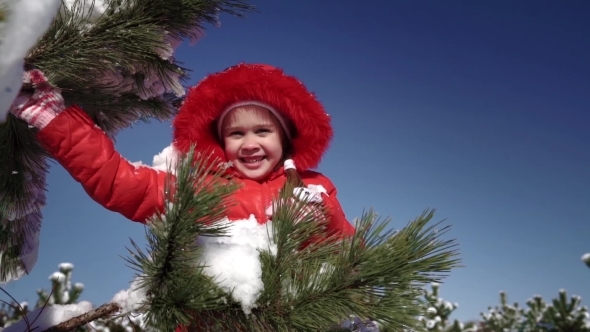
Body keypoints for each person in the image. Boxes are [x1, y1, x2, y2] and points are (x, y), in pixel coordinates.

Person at [9, 63, 356, 239]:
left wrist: (323, 220)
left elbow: (349, 256)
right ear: (221, 142)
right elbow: (120, 182)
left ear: (284, 137)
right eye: (236, 133)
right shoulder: (198, 190)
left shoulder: (314, 188)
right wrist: (56, 121)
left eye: (262, 131)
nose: (249, 144)